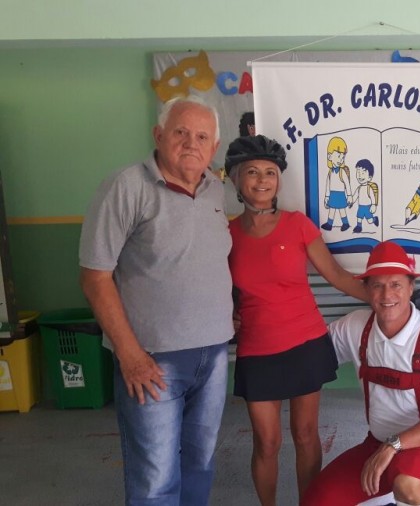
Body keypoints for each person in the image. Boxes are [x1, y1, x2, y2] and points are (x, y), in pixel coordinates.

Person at [79, 95, 234, 505]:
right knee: (155, 479)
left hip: (213, 355)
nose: (191, 143)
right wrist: (129, 354)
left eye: (202, 136)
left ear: (214, 147)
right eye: (181, 132)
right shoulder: (127, 186)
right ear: (158, 135)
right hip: (152, 360)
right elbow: (95, 277)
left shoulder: (215, 190)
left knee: (200, 463)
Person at [223, 135, 369, 505]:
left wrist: (383, 300)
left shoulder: (297, 225)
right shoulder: (227, 235)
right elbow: (220, 289)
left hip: (305, 342)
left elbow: (336, 275)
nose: (262, 180)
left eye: (270, 172)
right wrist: (228, 313)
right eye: (252, 172)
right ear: (236, 179)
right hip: (257, 349)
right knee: (266, 442)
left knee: (305, 435)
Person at [302, 241, 420, 506]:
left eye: (396, 285)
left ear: (411, 287)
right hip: (378, 445)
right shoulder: (356, 326)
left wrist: (394, 445)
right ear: (366, 289)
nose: (386, 294)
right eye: (377, 285)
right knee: (317, 501)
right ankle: (389, 494)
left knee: (408, 483)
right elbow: (311, 355)